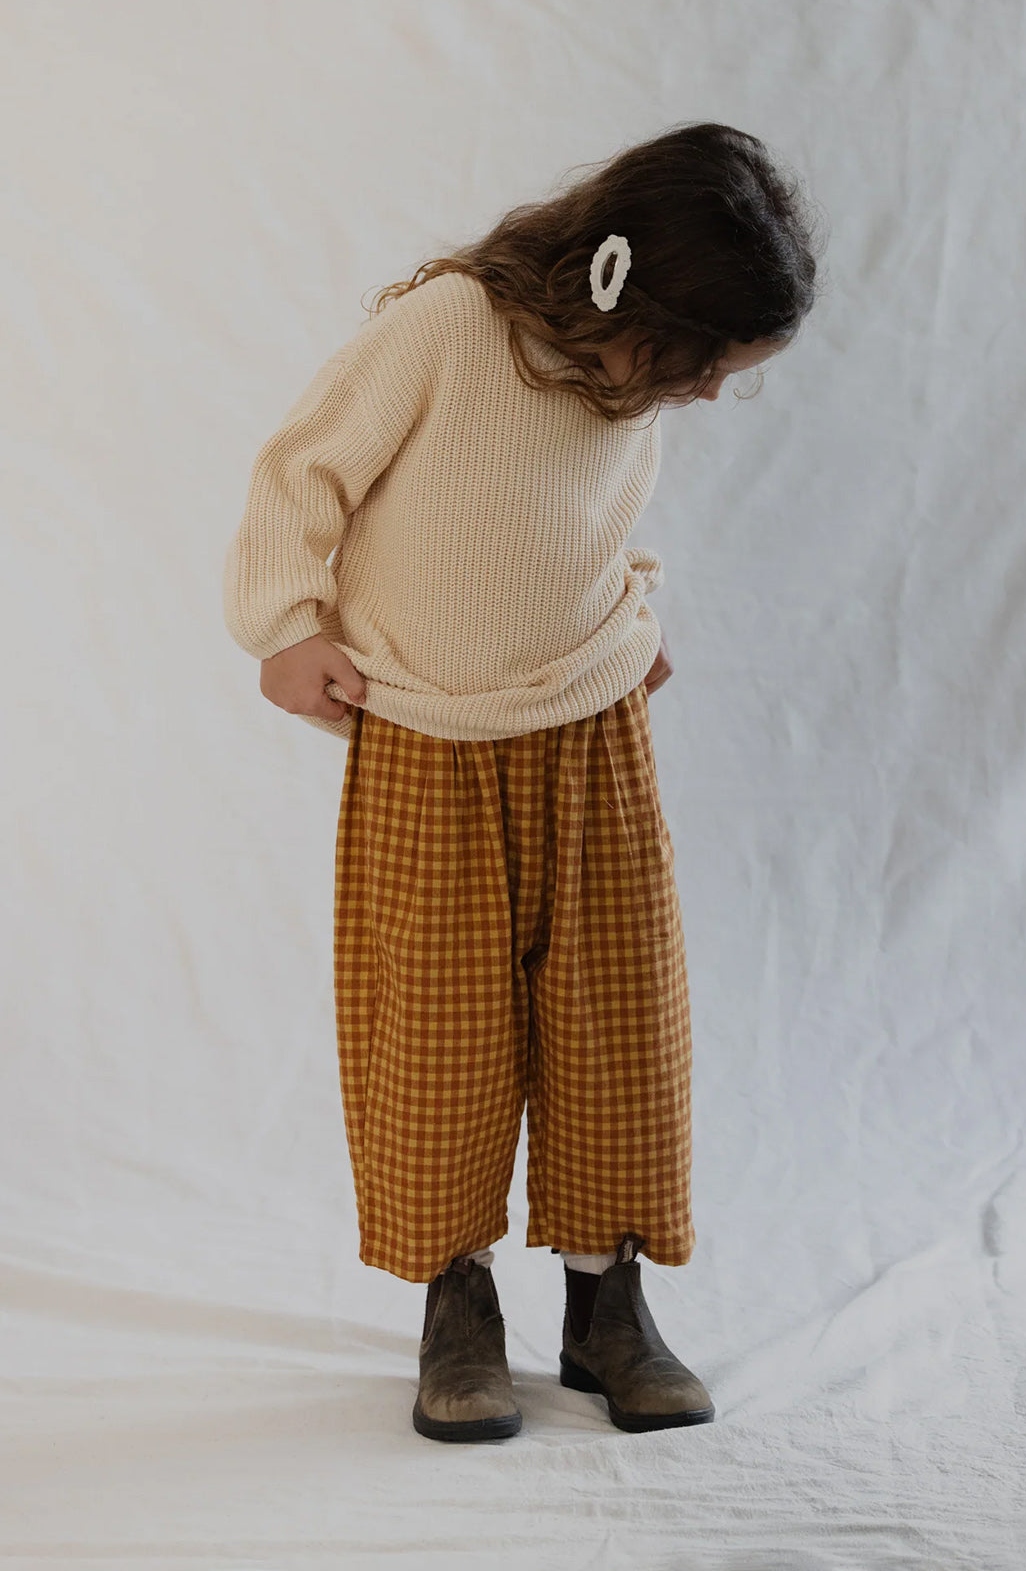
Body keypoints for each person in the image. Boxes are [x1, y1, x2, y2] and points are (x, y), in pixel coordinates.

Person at [223, 121, 820, 1442]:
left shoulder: (629, 383)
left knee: (618, 1017)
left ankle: (609, 1309)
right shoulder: (446, 330)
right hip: (430, 736)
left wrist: (638, 615)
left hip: (592, 723)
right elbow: (301, 468)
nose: (710, 394)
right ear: (635, 301)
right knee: (439, 1030)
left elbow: (585, 511)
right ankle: (459, 1302)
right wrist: (285, 622)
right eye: (707, 363)